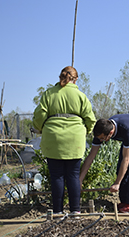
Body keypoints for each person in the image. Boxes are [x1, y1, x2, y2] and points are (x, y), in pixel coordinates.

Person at [32, 66, 96, 216]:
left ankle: (58, 211)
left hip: (53, 139)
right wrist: (84, 131)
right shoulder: (81, 96)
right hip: (75, 140)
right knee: (73, 175)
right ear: (76, 79)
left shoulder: (49, 94)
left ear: (60, 77)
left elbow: (39, 116)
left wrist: (39, 128)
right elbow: (90, 119)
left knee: (57, 176)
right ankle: (75, 211)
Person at [79, 114, 129, 213]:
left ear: (110, 133)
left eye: (102, 138)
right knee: (120, 167)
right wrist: (79, 180)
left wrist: (117, 183)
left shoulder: (125, 129)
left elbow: (126, 159)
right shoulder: (102, 130)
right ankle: (124, 202)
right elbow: (91, 157)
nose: (100, 141)